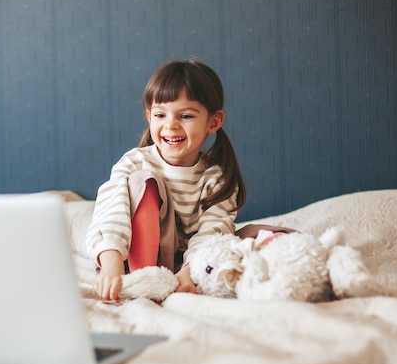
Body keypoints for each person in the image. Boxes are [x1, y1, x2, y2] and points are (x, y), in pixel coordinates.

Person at [85, 59, 293, 301]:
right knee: (143, 181)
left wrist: (190, 272)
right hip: (139, 260)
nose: (170, 125)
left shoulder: (216, 176)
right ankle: (146, 279)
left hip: (193, 262)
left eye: (185, 116)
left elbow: (214, 231)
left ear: (213, 122)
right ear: (148, 117)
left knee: (259, 235)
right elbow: (110, 214)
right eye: (160, 115)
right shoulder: (134, 162)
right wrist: (111, 265)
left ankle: (289, 264)